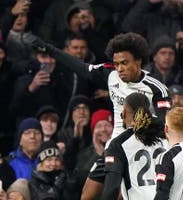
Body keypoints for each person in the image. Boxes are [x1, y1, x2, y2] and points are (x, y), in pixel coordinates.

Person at [35, 31, 171, 140]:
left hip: (146, 146)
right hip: (117, 145)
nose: (120, 69)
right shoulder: (110, 74)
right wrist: (50, 50)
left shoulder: (157, 89)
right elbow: (80, 67)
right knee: (93, 175)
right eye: (116, 64)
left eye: (124, 63)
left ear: (138, 62)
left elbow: (163, 124)